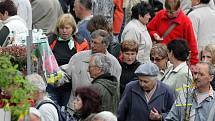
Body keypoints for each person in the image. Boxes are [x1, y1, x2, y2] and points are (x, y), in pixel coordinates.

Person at [58, 29, 121, 110]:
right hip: (75, 108)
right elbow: (65, 74)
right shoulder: (78, 57)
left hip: (98, 110)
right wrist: (57, 78)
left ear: (105, 45)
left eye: (95, 43)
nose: (92, 45)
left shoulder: (114, 64)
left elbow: (114, 91)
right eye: (91, 42)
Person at [47, 13, 89, 107]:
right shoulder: (50, 41)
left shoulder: (81, 43)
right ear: (58, 29)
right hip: (53, 83)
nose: (64, 31)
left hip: (70, 86)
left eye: (67, 28)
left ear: (73, 28)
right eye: (62, 28)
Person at [147, 0, 199, 66]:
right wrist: (154, 34)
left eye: (171, 12)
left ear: (178, 9)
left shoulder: (185, 21)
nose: (169, 14)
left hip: (176, 59)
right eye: (167, 11)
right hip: (159, 57)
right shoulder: (160, 14)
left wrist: (193, 63)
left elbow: (192, 43)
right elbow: (149, 29)